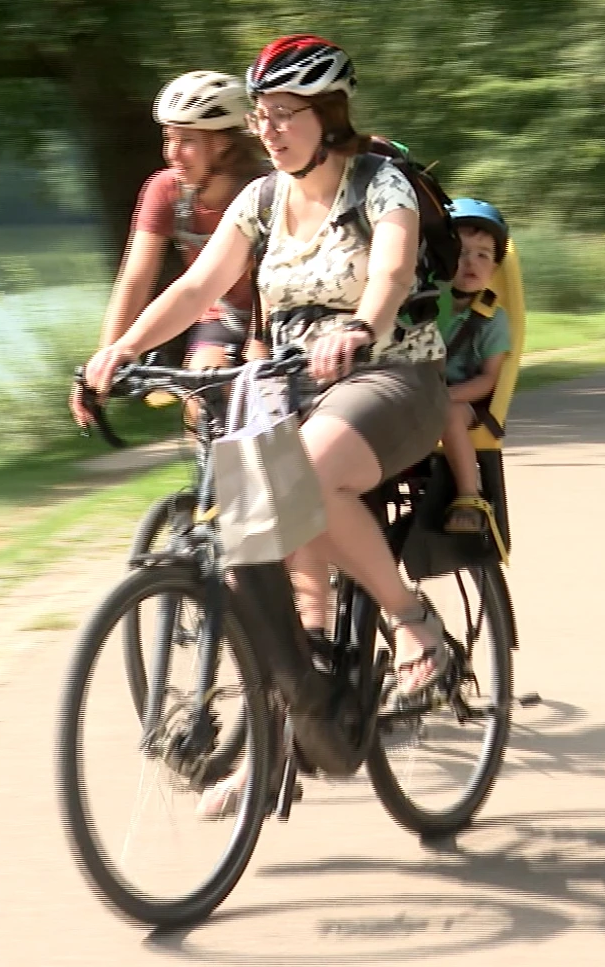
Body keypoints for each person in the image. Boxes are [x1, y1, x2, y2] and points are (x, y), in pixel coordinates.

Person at [82, 35, 455, 722]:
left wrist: (361, 328)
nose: (270, 129)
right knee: (253, 539)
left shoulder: (379, 184)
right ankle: (289, 719)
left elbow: (392, 271)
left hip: (391, 377)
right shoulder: (259, 199)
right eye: (262, 113)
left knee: (302, 471)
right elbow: (197, 289)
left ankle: (411, 624)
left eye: (286, 112)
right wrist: (120, 350)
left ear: (329, 114)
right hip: (290, 386)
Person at [70, 71, 270, 429]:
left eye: (187, 140)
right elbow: (134, 281)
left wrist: (259, 352)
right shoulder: (167, 191)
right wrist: (105, 360)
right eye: (169, 137)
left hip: (276, 315)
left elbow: (268, 289)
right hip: (220, 317)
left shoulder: (267, 192)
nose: (172, 153)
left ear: (223, 143)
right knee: (203, 399)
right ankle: (214, 480)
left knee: (272, 405)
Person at [437, 199, 514, 535]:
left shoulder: (492, 319)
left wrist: (444, 396)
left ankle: (470, 495)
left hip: (462, 400)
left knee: (449, 414)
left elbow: (488, 379)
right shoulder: (420, 305)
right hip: (412, 391)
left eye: (483, 254)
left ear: (494, 268)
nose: (471, 262)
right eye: (461, 251)